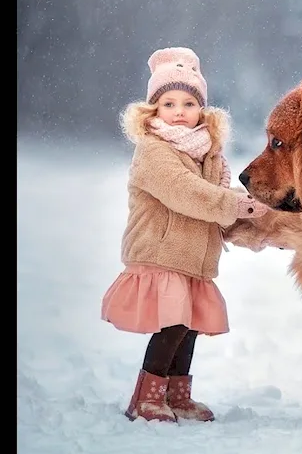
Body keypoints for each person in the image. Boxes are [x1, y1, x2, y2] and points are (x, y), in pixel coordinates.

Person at [101, 46, 269, 423]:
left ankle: (177, 396)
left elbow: (216, 210)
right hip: (161, 252)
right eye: (169, 103)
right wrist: (238, 204)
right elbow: (186, 194)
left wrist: (257, 223)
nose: (179, 112)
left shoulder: (209, 157)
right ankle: (146, 397)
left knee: (188, 328)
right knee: (172, 325)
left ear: (203, 111)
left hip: (194, 257)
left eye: (189, 103)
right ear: (153, 111)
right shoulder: (153, 152)